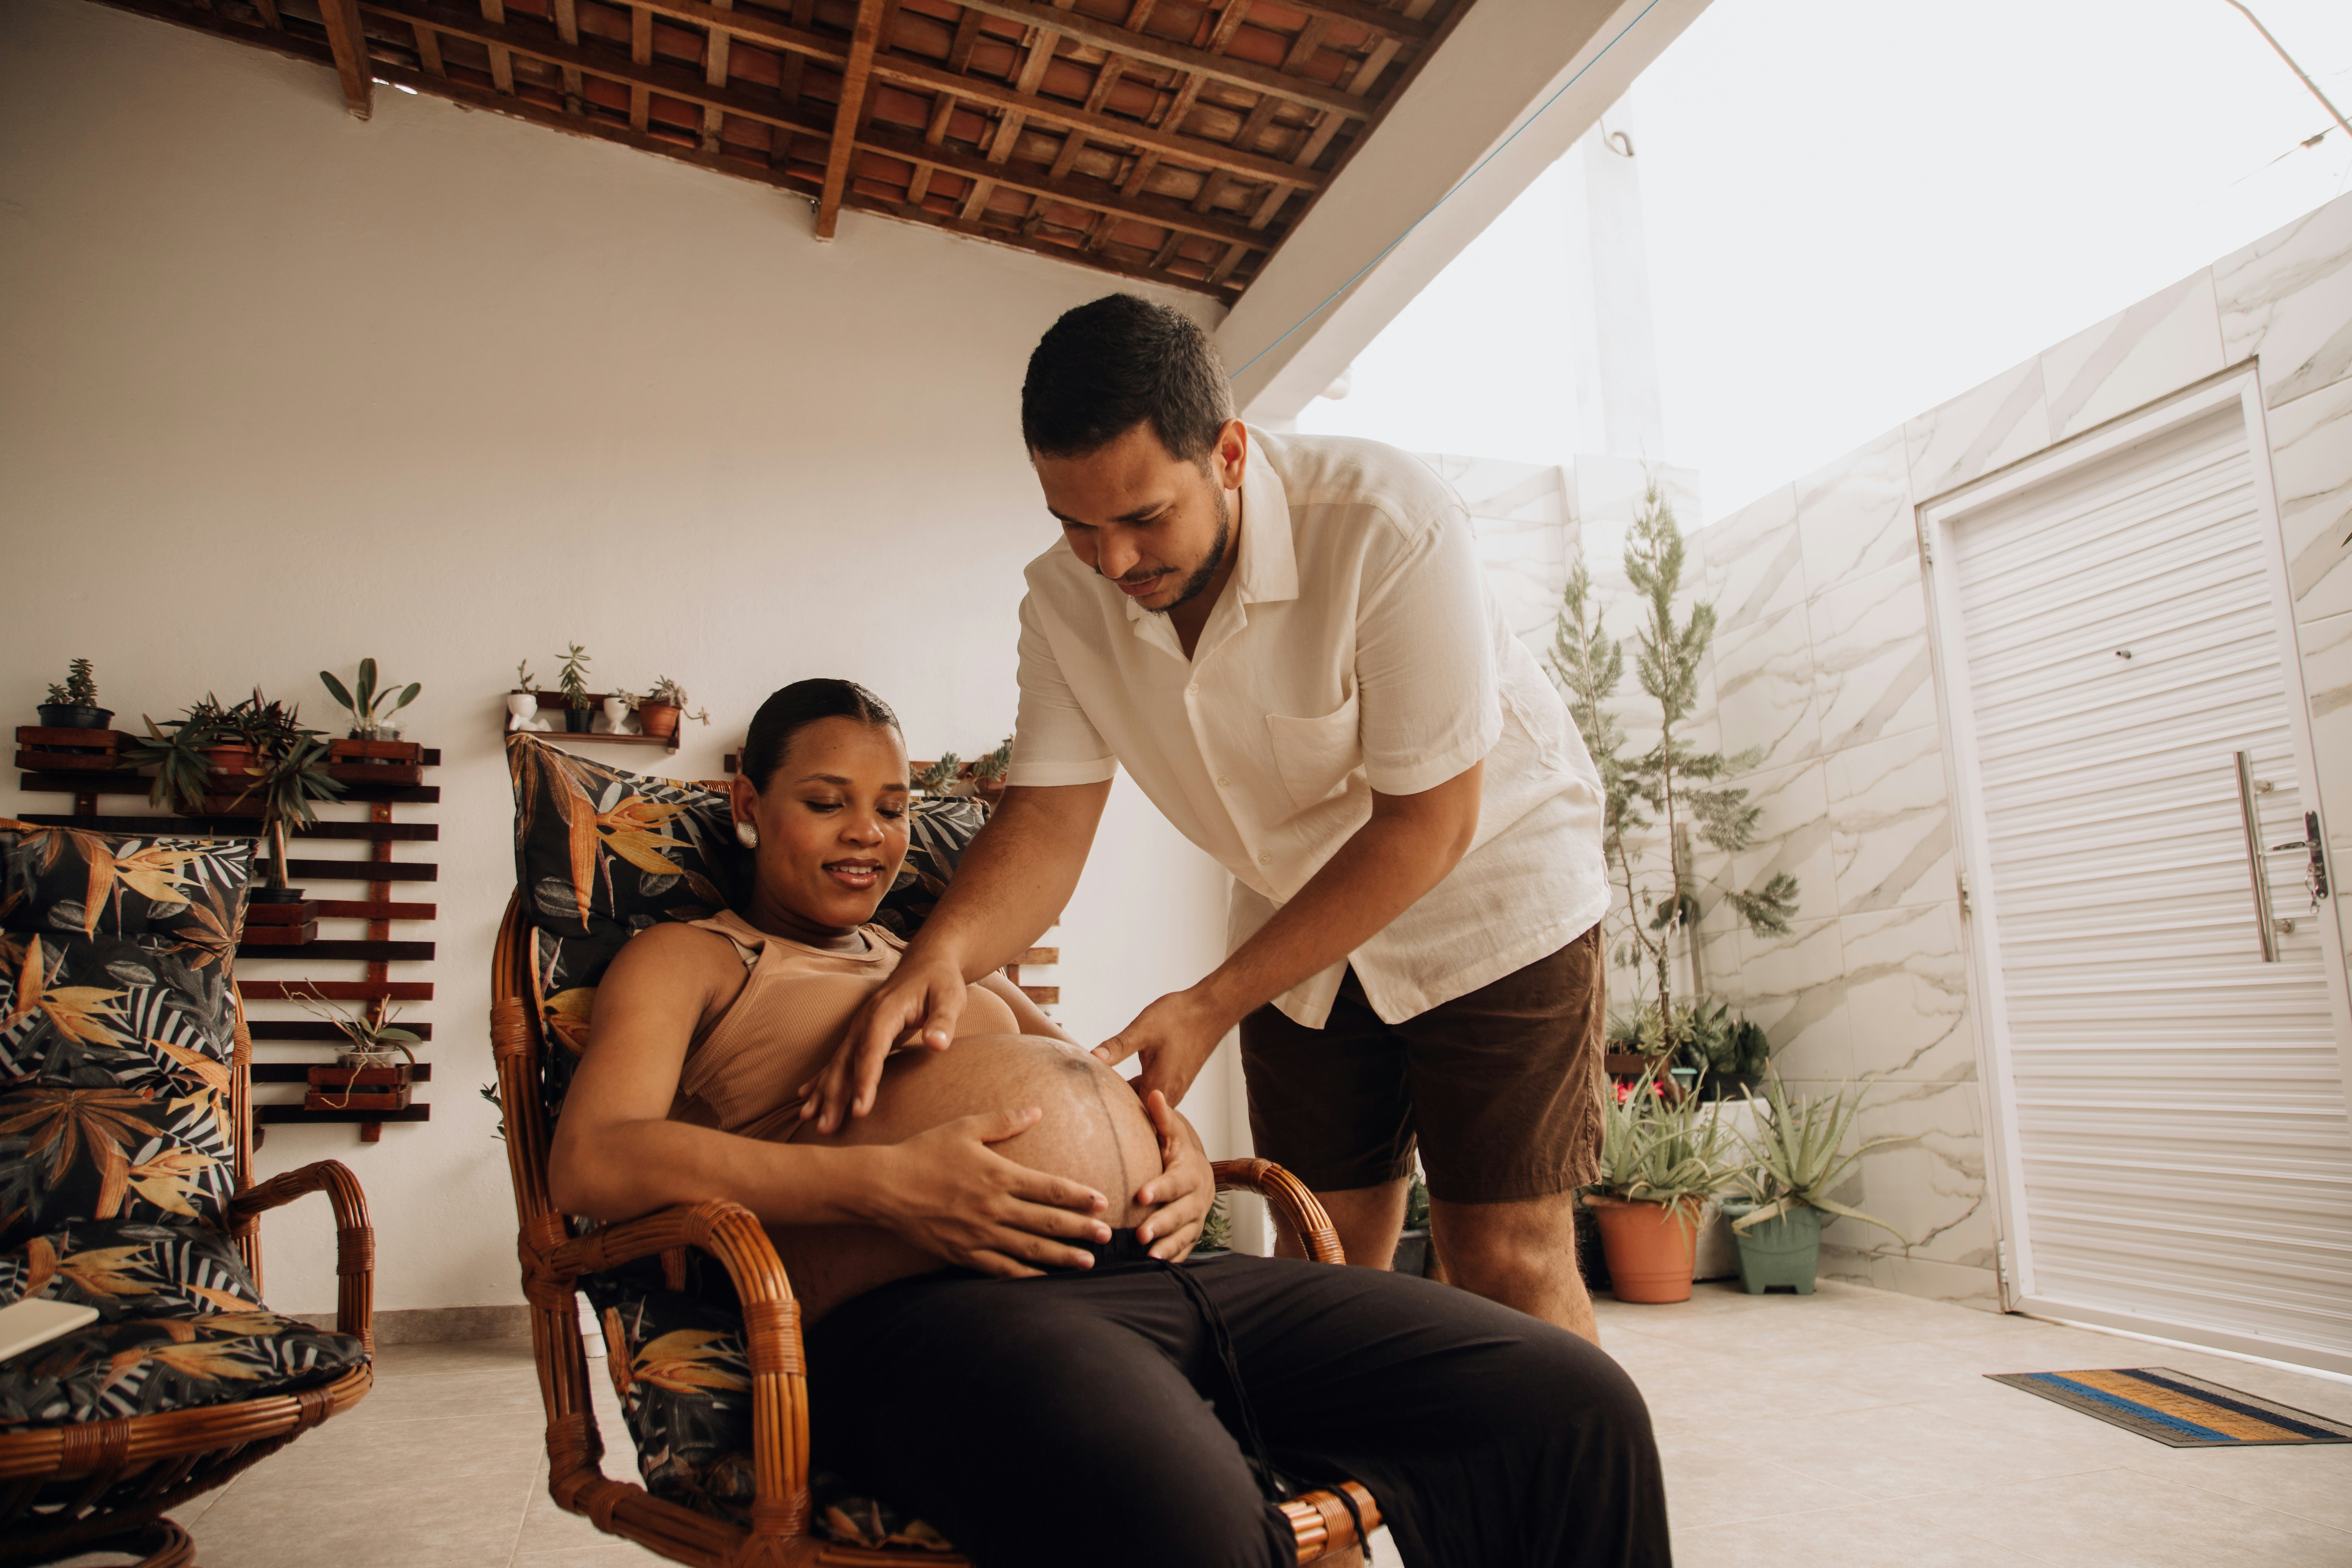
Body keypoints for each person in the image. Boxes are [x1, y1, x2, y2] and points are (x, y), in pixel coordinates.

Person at [550, 679, 1668, 1568]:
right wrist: (887, 1185)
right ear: (747, 805)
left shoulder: (938, 957)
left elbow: (1081, 1079)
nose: (868, 836)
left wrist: (1170, 1148)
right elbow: (593, 1161)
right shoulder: (692, 959)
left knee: (1567, 1402)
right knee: (1195, 1517)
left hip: (1152, 1274)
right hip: (924, 1319)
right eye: (826, 800)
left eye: (892, 807)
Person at [806, 295, 1613, 1341]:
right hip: (1300, 919)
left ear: (1229, 453)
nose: (1113, 562)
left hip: (1491, 890)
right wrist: (941, 960)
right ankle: (1349, 1508)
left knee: (1501, 1258)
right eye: (1076, 523)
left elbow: (1426, 825)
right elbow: (1047, 821)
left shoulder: (1386, 524)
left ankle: (1564, 1507)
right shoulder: (1064, 603)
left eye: (1144, 517)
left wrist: (1211, 1002)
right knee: (1323, 1252)